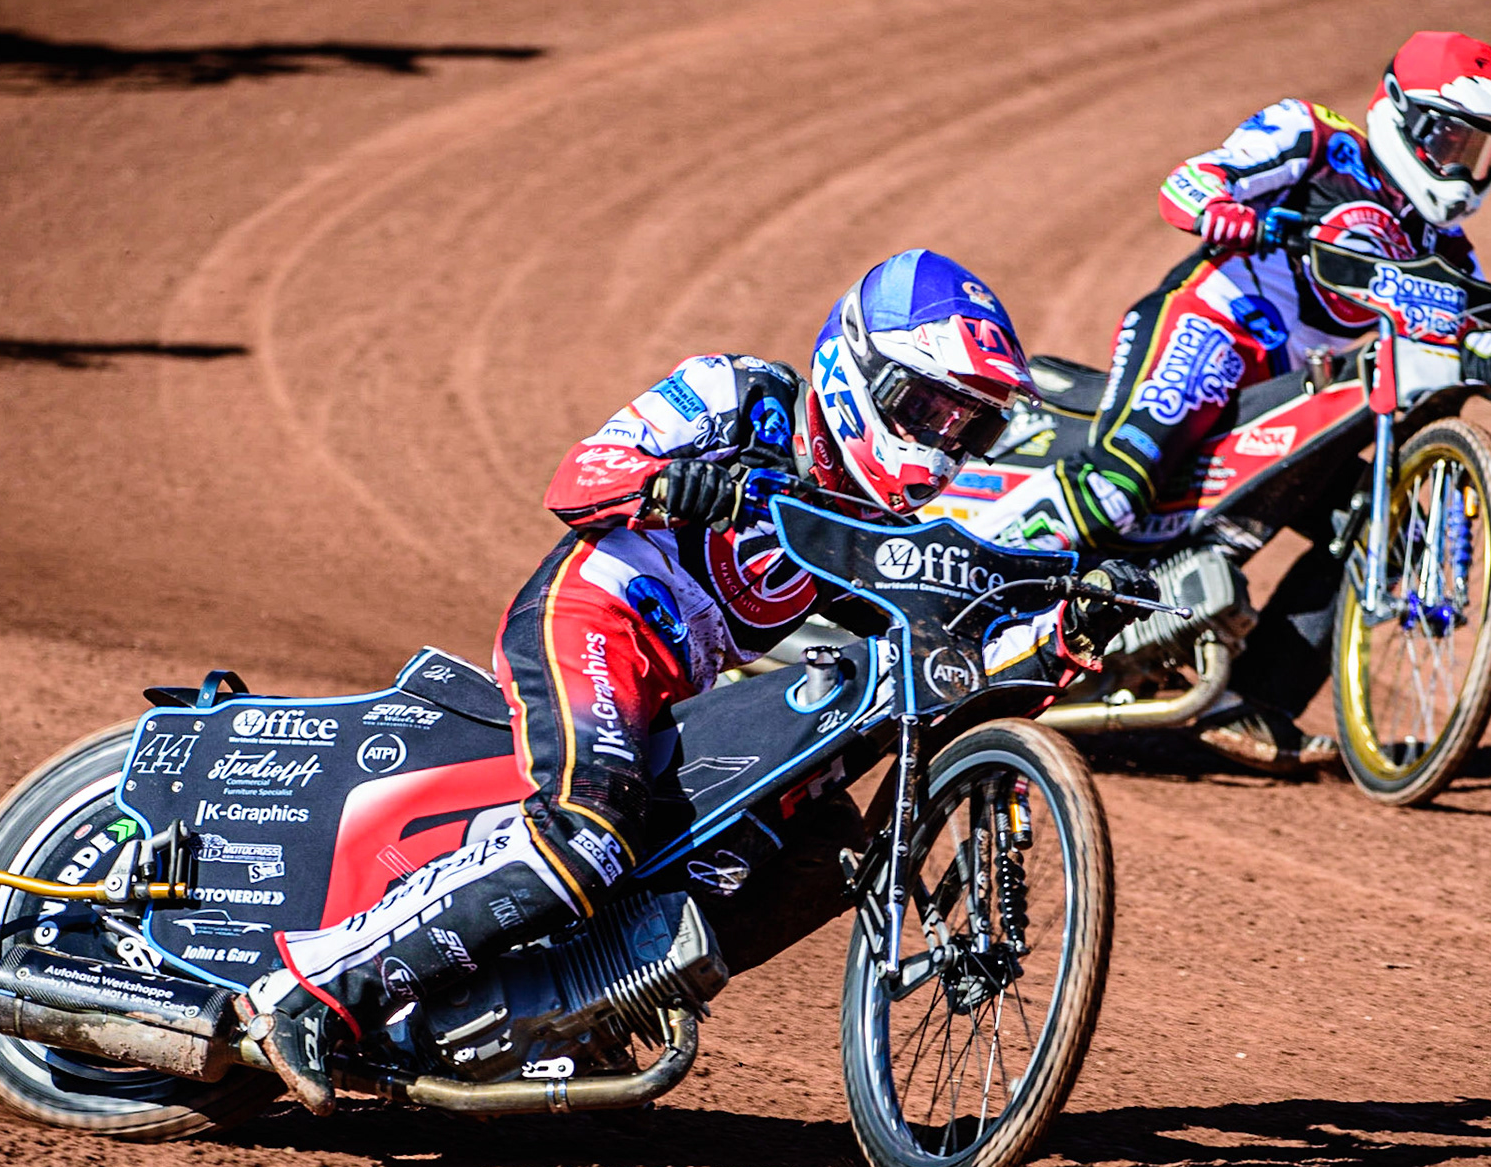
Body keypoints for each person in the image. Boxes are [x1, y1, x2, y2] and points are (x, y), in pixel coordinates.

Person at [234, 249, 1142, 1114]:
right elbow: (577, 477)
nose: (943, 444)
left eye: (968, 425)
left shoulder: (870, 520)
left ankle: (581, 1000)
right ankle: (308, 991)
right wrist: (678, 488)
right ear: (856, 367)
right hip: (597, 614)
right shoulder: (736, 393)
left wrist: (1061, 634)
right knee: (588, 831)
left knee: (823, 844)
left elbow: (947, 657)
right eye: (927, 408)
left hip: (675, 688)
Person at [974, 30, 1491, 772]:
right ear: (1401, 115)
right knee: (1119, 487)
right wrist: (1218, 207)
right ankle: (963, 597)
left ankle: (1253, 703)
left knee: (1378, 530)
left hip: (1298, 398)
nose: (1465, 171)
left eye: (1485, 153)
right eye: (1455, 141)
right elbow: (1188, 183)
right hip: (1212, 331)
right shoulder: (1311, 138)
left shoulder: (1447, 255)